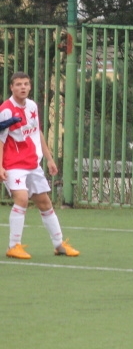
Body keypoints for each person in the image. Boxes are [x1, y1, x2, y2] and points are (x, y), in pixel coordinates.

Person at [0, 72, 80, 260]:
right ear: (12, 87)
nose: (23, 87)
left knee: (44, 202)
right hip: (14, 164)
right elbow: (1, 140)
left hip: (32, 163)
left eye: (26, 84)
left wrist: (50, 159)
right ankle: (14, 246)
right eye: (19, 84)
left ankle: (59, 244)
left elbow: (37, 132)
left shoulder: (32, 106)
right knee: (22, 199)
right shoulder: (6, 110)